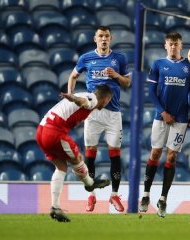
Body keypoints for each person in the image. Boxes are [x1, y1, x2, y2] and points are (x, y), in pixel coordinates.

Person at [67, 26, 131, 212]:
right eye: (100, 36)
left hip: (113, 114)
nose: (104, 39)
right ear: (95, 39)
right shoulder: (86, 58)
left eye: (106, 36)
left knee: (115, 156)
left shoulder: (119, 58)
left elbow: (127, 82)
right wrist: (71, 97)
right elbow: (73, 76)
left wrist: (116, 75)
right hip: (92, 113)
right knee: (90, 155)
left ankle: (114, 196)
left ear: (111, 38)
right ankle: (91, 195)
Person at [138, 32, 190, 218]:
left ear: (181, 45)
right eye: (170, 44)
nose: (173, 47)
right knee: (155, 153)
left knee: (171, 157)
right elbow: (151, 92)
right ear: (165, 45)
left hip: (180, 118)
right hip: (161, 117)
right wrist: (163, 112)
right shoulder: (158, 64)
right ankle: (146, 195)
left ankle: (163, 199)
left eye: (176, 44)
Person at [36, 85, 113, 222]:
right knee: (77, 158)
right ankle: (90, 183)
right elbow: (84, 102)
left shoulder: (87, 95)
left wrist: (75, 98)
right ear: (106, 99)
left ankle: (55, 207)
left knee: (61, 167)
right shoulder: (93, 99)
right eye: (108, 101)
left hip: (41, 130)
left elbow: (81, 102)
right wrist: (74, 98)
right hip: (54, 131)